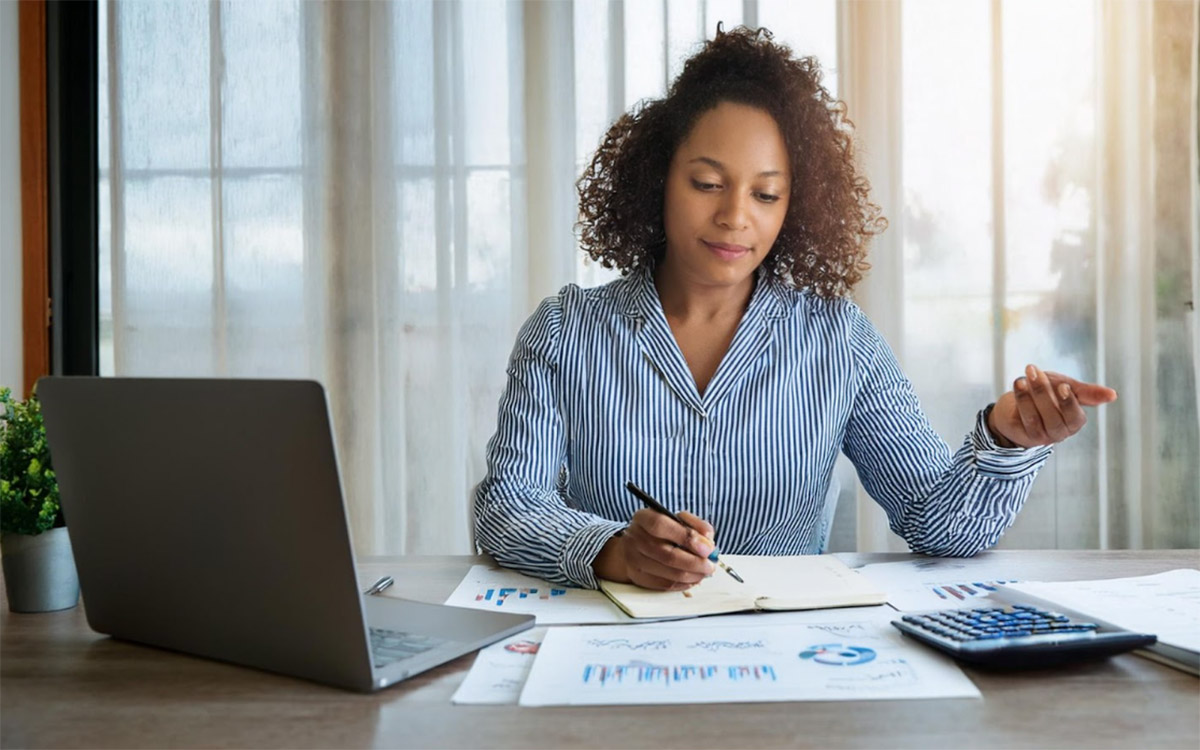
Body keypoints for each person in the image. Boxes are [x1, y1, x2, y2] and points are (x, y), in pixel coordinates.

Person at [473, 26, 1117, 592]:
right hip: (612, 655)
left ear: (795, 206)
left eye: (767, 193)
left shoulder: (838, 339)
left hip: (791, 660)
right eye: (706, 183)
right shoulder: (568, 331)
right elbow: (507, 508)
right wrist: (611, 550)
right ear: (656, 176)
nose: (734, 216)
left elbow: (939, 523)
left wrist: (1007, 440)